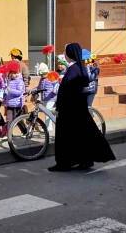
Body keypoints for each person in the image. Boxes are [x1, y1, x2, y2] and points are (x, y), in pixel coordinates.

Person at [49, 43, 115, 172]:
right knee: (81, 135)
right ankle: (84, 160)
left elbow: (68, 90)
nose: (64, 54)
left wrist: (60, 106)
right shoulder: (79, 68)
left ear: (70, 54)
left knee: (67, 137)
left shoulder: (74, 70)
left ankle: (65, 163)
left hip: (69, 109)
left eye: (66, 52)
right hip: (77, 107)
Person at [2, 60, 26, 125]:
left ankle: (24, 130)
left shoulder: (20, 81)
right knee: (9, 119)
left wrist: (10, 90)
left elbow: (19, 92)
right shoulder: (9, 81)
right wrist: (4, 99)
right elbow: (7, 92)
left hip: (17, 104)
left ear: (18, 73)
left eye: (15, 73)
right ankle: (9, 131)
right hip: (9, 104)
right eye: (12, 73)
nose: (13, 75)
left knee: (18, 120)